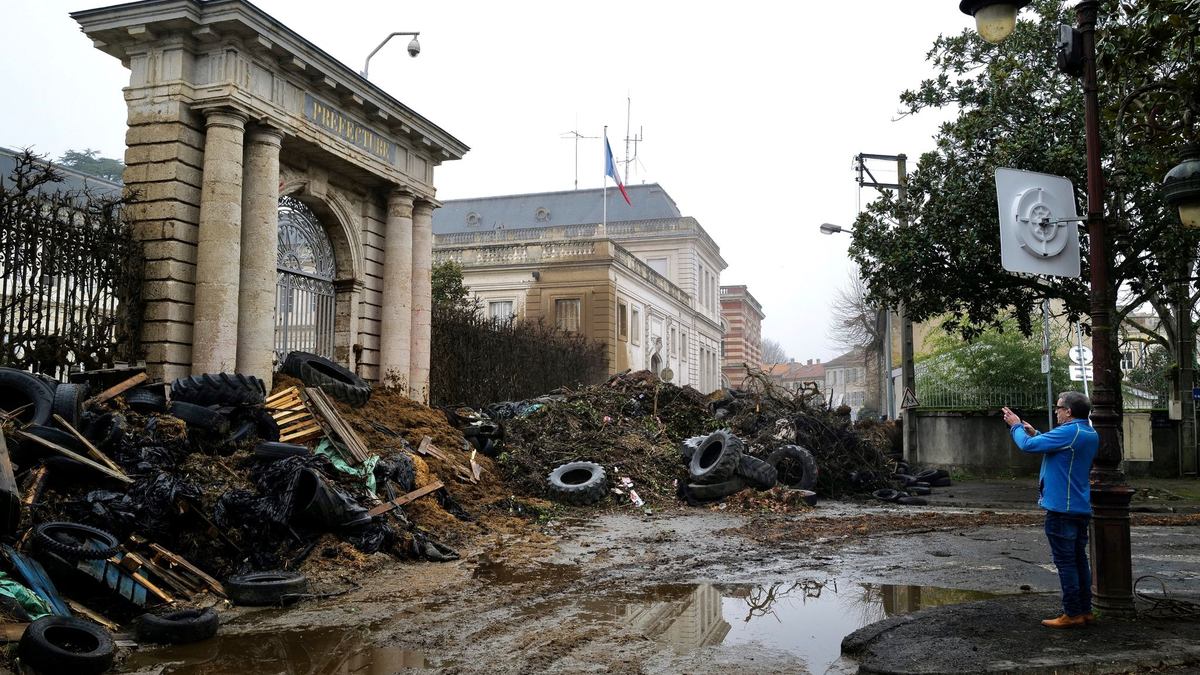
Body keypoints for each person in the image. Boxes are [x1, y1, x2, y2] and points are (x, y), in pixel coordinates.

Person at [1002, 392, 1098, 629]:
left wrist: (1016, 427)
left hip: (1061, 509)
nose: (1056, 411)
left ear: (1069, 411)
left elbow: (1027, 446)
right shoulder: (1088, 432)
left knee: (1066, 563)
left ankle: (1072, 613)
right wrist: (1037, 433)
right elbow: (1056, 447)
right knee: (1078, 561)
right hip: (1079, 506)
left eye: (1058, 408)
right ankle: (1085, 611)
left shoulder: (1069, 431)